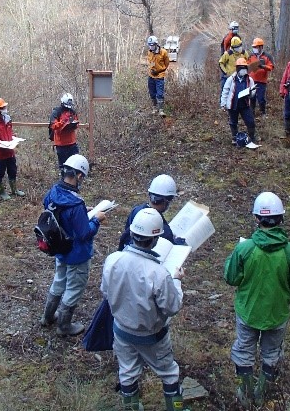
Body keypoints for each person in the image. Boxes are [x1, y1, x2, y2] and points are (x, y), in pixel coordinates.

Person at [224, 192, 290, 408]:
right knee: (271, 353)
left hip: (248, 312)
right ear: (281, 219)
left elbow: (231, 278)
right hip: (277, 313)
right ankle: (261, 393)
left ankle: (246, 392)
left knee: (244, 351)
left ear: (256, 219)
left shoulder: (244, 249)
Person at [101, 208, 189, 411]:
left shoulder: (112, 260)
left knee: (127, 371)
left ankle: (131, 407)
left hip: (122, 331)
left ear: (132, 234)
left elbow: (106, 292)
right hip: (153, 336)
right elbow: (172, 307)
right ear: (156, 239)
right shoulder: (159, 274)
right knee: (168, 373)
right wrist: (176, 281)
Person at [39, 154, 106, 336]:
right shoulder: (76, 204)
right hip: (77, 254)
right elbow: (84, 234)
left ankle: (47, 317)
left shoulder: (52, 193)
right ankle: (64, 326)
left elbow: (57, 215)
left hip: (60, 250)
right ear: (79, 176)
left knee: (59, 281)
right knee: (74, 288)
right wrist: (97, 220)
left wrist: (83, 212)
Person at [118, 174, 186, 251]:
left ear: (150, 194)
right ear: (167, 201)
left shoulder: (136, 211)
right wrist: (177, 243)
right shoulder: (164, 230)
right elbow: (168, 252)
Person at [0, 97, 25, 200]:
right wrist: (5, 144)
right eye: (3, 107)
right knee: (0, 173)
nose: (5, 109)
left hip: (10, 151)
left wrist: (13, 137)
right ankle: (2, 192)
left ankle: (14, 190)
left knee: (13, 170)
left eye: (5, 107)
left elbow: (9, 132)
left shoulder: (7, 118)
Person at [221, 57, 260, 149]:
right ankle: (234, 137)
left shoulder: (249, 80)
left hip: (244, 104)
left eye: (244, 68)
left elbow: (253, 92)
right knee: (233, 121)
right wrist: (223, 103)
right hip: (233, 104)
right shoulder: (231, 79)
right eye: (241, 68)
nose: (243, 70)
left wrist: (250, 93)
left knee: (250, 121)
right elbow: (225, 91)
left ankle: (252, 136)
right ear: (237, 69)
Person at [49, 93, 80, 168]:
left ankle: (75, 178)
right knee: (63, 166)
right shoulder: (56, 111)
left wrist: (73, 124)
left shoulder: (72, 112)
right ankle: (64, 178)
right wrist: (63, 122)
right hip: (61, 144)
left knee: (75, 164)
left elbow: (76, 121)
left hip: (72, 143)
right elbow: (53, 125)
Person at [247, 38, 275, 117]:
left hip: (262, 81)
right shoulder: (250, 56)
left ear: (261, 47)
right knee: (251, 97)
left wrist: (263, 66)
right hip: (251, 80)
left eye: (256, 47)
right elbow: (247, 66)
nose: (255, 49)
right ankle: (251, 112)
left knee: (261, 98)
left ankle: (263, 112)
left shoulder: (267, 56)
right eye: (254, 47)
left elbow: (271, 67)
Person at [146, 35, 170, 117]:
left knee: (159, 93)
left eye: (152, 45)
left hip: (159, 76)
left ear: (156, 44)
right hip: (151, 76)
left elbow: (166, 64)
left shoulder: (163, 52)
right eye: (149, 45)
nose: (151, 46)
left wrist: (159, 70)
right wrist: (151, 69)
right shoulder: (149, 52)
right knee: (152, 93)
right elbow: (150, 62)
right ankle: (154, 108)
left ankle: (161, 110)